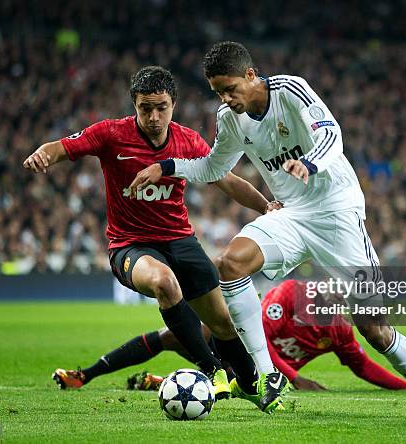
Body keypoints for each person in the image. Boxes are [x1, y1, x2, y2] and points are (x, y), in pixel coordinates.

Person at [128, 43, 406, 418]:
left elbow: (332, 135)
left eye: (231, 89)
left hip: (337, 212)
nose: (226, 98)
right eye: (218, 92)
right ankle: (267, 375)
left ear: (251, 76)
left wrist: (310, 163)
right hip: (291, 214)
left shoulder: (290, 90)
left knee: (375, 330)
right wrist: (169, 166)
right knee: (230, 264)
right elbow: (212, 168)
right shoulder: (228, 118)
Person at [23, 65, 286, 413]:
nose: (153, 116)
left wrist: (266, 204)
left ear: (173, 104)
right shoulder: (111, 134)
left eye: (161, 107)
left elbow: (227, 180)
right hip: (130, 245)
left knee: (223, 323)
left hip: (181, 242)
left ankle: (251, 385)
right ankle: (212, 370)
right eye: (145, 107)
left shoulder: (187, 140)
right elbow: (62, 146)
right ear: (134, 103)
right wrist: (44, 154)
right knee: (164, 283)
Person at [54, 280, 406, 394]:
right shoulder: (289, 295)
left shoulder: (338, 331)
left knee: (232, 381)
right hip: (246, 357)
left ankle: (169, 382)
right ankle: (86, 374)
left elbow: (363, 366)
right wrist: (296, 378)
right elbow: (257, 341)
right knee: (175, 334)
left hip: (259, 378)